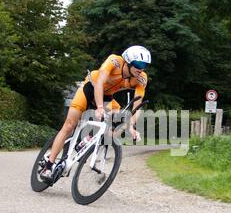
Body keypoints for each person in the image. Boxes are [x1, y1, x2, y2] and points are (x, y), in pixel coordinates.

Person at [40, 45, 151, 182]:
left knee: (119, 119)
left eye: (145, 65)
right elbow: (99, 82)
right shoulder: (114, 61)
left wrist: (132, 126)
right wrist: (99, 107)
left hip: (107, 97)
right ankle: (48, 165)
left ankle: (89, 138)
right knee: (69, 126)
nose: (141, 69)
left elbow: (137, 104)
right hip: (90, 88)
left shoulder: (141, 78)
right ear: (128, 61)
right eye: (139, 64)